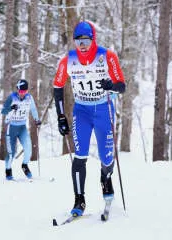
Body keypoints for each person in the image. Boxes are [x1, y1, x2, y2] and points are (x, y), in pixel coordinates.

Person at [52, 21, 125, 216]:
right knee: (79, 156)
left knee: (107, 157)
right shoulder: (67, 60)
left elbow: (122, 86)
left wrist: (111, 85)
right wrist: (60, 116)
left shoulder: (107, 56)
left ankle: (105, 179)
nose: (82, 45)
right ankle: (79, 201)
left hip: (103, 110)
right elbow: (58, 87)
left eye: (85, 40)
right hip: (82, 112)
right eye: (78, 41)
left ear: (93, 39)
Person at [1, 79, 41, 180]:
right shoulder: (12, 97)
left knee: (28, 149)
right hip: (11, 127)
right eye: (20, 91)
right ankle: (8, 171)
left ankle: (24, 165)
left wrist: (37, 119)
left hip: (22, 127)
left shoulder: (29, 98)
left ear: (27, 91)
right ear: (17, 90)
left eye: (24, 91)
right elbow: (3, 111)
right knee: (11, 153)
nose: (22, 93)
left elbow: (33, 109)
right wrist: (11, 108)